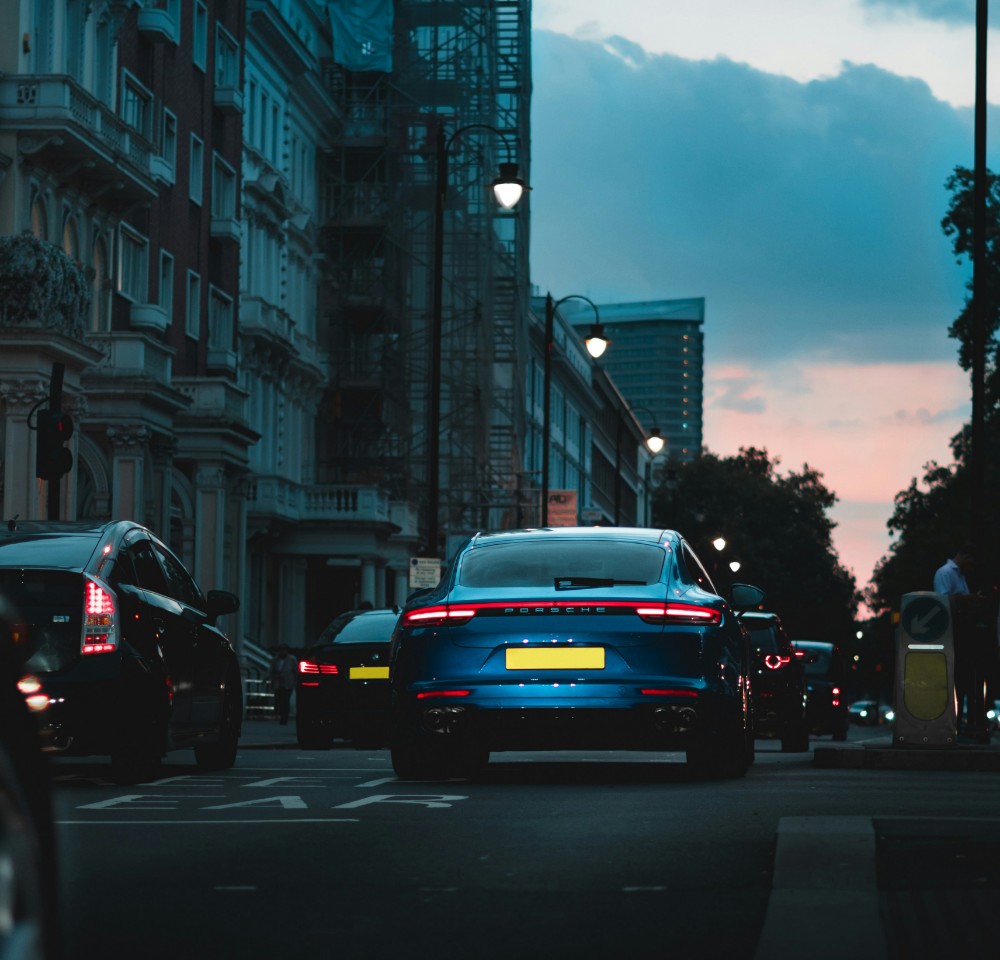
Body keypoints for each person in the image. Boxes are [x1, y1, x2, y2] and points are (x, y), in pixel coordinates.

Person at [933, 546, 988, 734]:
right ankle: (954, 722)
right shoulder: (946, 573)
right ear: (964, 556)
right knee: (958, 676)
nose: (972, 567)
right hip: (954, 633)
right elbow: (945, 601)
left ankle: (961, 722)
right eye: (971, 562)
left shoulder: (960, 576)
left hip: (963, 633)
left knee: (964, 678)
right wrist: (971, 600)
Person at [269, 644, 297, 725]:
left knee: (285, 700)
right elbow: (271, 670)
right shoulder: (275, 659)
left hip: (288, 683)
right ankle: (281, 716)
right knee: (280, 700)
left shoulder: (292, 659)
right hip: (278, 682)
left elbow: (295, 671)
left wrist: (295, 682)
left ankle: (284, 718)